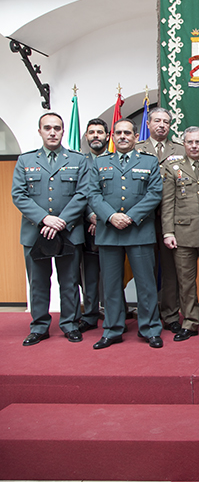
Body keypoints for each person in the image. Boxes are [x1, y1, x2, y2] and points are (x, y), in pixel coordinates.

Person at [12, 112, 90, 346]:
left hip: (69, 230)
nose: (53, 132)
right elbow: (19, 195)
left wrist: (61, 221)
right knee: (38, 282)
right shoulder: (25, 161)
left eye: (57, 128)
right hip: (36, 232)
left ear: (63, 131)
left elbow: (83, 193)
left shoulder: (78, 160)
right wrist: (45, 219)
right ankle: (39, 326)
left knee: (69, 281)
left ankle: (70, 324)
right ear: (40, 131)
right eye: (47, 128)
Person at [88, 119, 163, 349]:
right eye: (118, 132)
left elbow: (154, 193)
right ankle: (112, 329)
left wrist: (129, 217)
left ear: (135, 137)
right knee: (110, 285)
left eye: (127, 133)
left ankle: (149, 328)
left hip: (139, 230)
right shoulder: (100, 163)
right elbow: (92, 194)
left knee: (146, 284)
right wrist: (111, 217)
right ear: (113, 136)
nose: (122, 136)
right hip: (109, 232)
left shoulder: (149, 162)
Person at [160, 126, 199, 342]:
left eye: (198, 142)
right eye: (189, 142)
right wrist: (168, 231)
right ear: (184, 144)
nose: (194, 146)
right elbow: (168, 203)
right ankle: (189, 322)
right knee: (185, 283)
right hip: (182, 233)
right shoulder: (173, 167)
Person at [135, 107, 185, 333]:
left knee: (170, 270)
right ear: (148, 124)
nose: (161, 125)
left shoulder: (181, 150)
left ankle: (170, 314)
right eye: (157, 120)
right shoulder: (136, 150)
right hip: (142, 219)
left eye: (166, 121)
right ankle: (148, 314)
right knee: (145, 269)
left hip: (171, 219)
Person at [75, 118, 109, 333]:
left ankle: (116, 311)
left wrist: (103, 217)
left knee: (113, 272)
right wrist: (91, 216)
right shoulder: (79, 162)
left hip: (112, 224)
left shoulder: (115, 160)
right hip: (87, 226)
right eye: (92, 132)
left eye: (100, 132)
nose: (96, 136)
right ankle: (89, 314)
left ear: (107, 136)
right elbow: (79, 192)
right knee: (88, 273)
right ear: (86, 137)